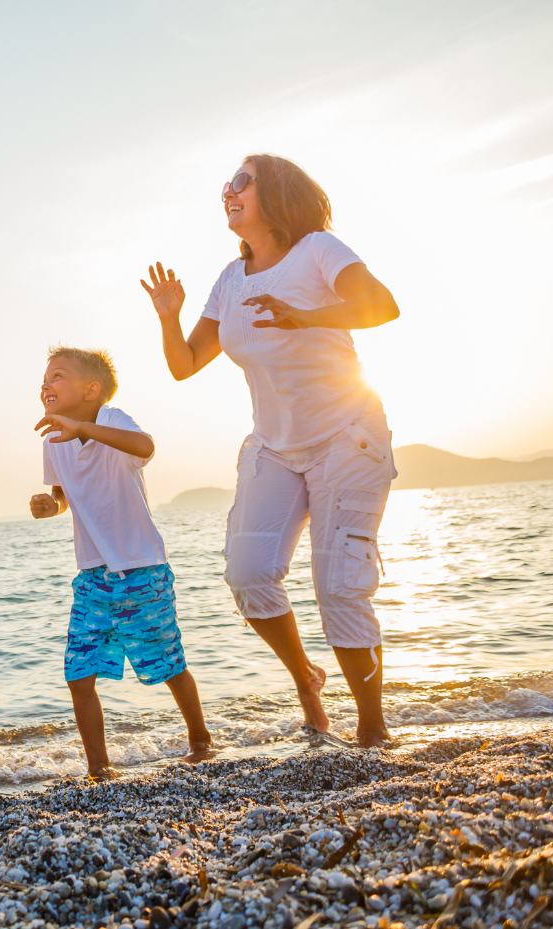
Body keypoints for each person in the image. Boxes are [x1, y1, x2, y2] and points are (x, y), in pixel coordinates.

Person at [141, 154, 401, 746]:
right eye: (226, 184)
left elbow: (382, 304)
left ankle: (371, 727)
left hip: (347, 436)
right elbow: (184, 366)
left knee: (339, 587)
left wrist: (305, 317)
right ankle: (308, 680)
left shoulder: (318, 250)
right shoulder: (230, 279)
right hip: (275, 448)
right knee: (249, 575)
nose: (227, 191)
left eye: (241, 182)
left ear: (276, 192)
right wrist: (168, 317)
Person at [30, 348, 213, 776]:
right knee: (79, 672)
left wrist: (84, 428)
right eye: (43, 379)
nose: (45, 386)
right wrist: (49, 506)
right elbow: (63, 496)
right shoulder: (52, 441)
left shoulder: (112, 420)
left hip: (141, 567)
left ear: (91, 390)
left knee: (168, 662)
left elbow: (144, 445)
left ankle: (201, 740)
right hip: (93, 573)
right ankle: (99, 766)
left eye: (57, 376)